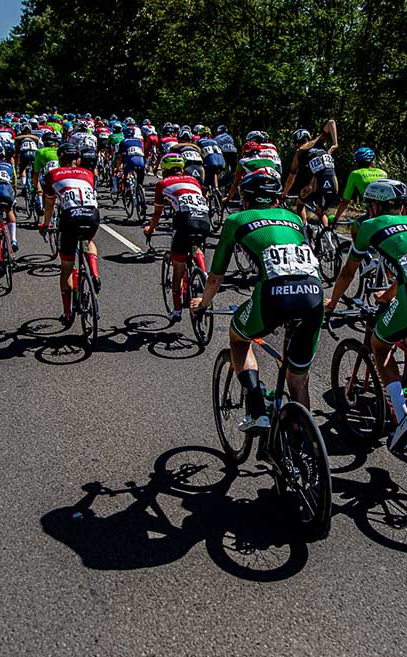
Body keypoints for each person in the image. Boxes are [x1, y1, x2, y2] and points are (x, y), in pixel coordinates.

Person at [325, 178, 407, 452]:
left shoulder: (370, 225)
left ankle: (402, 418)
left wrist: (333, 302)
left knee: (380, 345)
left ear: (375, 206)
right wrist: (387, 296)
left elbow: (349, 271)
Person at [190, 168, 323, 430]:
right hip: (313, 293)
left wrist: (203, 304)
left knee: (239, 339)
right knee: (298, 379)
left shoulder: (237, 220)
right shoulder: (293, 218)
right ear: (277, 199)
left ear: (245, 199)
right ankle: (302, 441)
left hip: (275, 293)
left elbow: (215, 277)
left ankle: (257, 409)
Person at [144, 154, 212, 321]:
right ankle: (203, 274)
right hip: (204, 220)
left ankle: (176, 310)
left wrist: (150, 229)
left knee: (178, 267)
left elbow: (157, 213)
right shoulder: (193, 180)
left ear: (165, 169)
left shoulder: (162, 183)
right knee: (196, 246)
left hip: (185, 221)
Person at [40, 144, 101, 324]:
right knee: (88, 240)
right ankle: (95, 274)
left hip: (70, 216)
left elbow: (49, 204)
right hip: (92, 215)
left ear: (60, 159)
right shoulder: (88, 173)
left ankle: (67, 313)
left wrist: (46, 223)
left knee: (67, 266)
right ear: (77, 159)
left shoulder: (53, 174)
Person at [282, 121, 339, 226]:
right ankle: (327, 233)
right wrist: (335, 144)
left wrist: (284, 194)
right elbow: (331, 122)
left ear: (296, 143)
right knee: (320, 211)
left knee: (300, 202)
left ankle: (303, 228)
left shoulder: (300, 152)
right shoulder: (319, 141)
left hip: (319, 185)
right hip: (334, 184)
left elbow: (291, 176)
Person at [331, 147, 387, 225]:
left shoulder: (355, 174)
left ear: (357, 161)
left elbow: (345, 201)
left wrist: (336, 218)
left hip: (372, 212)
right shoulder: (383, 173)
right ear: (372, 161)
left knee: (355, 228)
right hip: (387, 211)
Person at [114, 126, 146, 198]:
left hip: (130, 160)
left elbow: (119, 156)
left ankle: (127, 189)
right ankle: (141, 189)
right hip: (141, 160)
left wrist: (118, 167)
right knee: (140, 180)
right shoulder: (139, 141)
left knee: (126, 173)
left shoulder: (123, 142)